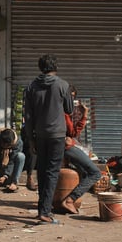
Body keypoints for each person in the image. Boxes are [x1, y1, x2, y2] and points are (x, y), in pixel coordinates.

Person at [24, 54, 73, 225]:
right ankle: (44, 212)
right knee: (52, 173)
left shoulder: (31, 86)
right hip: (57, 135)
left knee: (43, 172)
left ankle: (42, 209)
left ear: (40, 67)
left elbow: (28, 116)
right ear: (55, 67)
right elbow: (69, 109)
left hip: (39, 135)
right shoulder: (63, 85)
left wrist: (31, 140)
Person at [61, 86, 101, 214]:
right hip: (65, 147)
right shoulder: (63, 112)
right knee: (95, 173)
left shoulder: (55, 109)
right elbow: (73, 133)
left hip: (55, 146)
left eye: (73, 97)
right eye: (69, 97)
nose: (71, 100)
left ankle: (67, 199)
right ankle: (70, 200)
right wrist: (84, 115)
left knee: (83, 171)